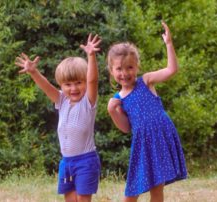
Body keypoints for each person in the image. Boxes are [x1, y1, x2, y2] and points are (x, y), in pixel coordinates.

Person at [107, 22, 187, 202]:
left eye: (129, 67)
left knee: (157, 191)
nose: (124, 73)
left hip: (160, 137)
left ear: (137, 67)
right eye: (119, 69)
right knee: (132, 192)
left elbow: (171, 70)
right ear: (112, 71)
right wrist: (112, 111)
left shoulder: (146, 81)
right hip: (142, 144)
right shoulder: (119, 98)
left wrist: (168, 44)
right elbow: (126, 128)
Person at [15, 34, 101, 202]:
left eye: (78, 82)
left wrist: (91, 56)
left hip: (86, 161)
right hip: (66, 163)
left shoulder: (88, 102)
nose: (73, 88)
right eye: (68, 84)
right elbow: (46, 86)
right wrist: (33, 72)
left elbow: (93, 81)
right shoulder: (61, 100)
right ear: (61, 85)